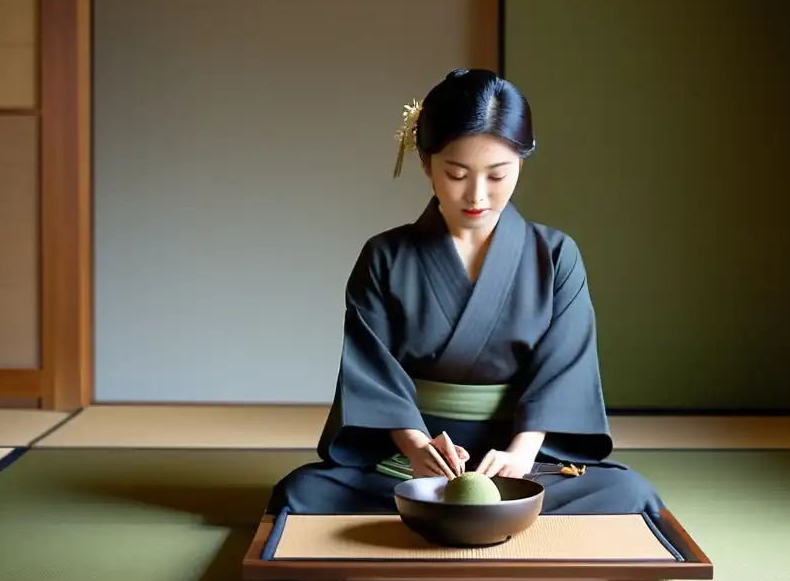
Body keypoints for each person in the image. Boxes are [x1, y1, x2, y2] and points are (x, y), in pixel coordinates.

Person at [267, 69, 664, 518]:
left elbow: (564, 371)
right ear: (426, 162)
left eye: (497, 175)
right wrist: (417, 448)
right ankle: (488, 517)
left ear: (521, 164)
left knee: (630, 497)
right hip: (413, 462)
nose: (477, 195)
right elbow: (372, 374)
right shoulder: (385, 256)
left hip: (522, 460)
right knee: (301, 495)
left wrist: (522, 455)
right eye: (456, 173)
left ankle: (469, 512)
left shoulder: (555, 255)